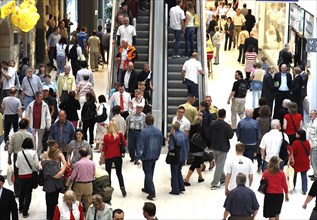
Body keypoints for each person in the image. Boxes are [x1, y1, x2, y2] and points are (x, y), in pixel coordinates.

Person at [135, 114, 163, 200]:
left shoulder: (143, 132)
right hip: (155, 155)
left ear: (145, 122)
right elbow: (160, 144)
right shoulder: (158, 131)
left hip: (146, 155)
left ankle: (151, 192)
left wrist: (137, 157)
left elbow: (140, 146)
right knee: (150, 172)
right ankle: (146, 187)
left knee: (147, 173)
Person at [99, 121, 127, 197]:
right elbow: (124, 144)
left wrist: (101, 158)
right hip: (118, 156)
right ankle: (122, 188)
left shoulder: (106, 136)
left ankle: (109, 189)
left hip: (108, 156)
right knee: (119, 173)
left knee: (108, 173)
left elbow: (104, 148)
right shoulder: (120, 134)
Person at [8, 118, 34, 197]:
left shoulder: (14, 135)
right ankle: (26, 191)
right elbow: (33, 147)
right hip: (28, 155)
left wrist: (9, 157)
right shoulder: (30, 135)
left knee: (16, 174)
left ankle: (17, 192)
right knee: (27, 173)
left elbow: (10, 147)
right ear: (26, 126)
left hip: (17, 155)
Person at [209, 109, 234, 190]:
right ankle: (214, 183)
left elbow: (209, 134)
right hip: (222, 148)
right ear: (225, 115)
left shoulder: (212, 123)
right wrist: (231, 128)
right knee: (219, 166)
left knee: (219, 164)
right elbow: (230, 136)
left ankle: (222, 179)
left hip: (214, 147)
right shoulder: (226, 125)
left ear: (218, 114)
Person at [16, 137, 40, 218]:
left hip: (21, 176)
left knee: (21, 193)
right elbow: (36, 165)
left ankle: (20, 208)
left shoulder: (19, 153)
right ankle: (25, 211)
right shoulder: (34, 153)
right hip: (30, 176)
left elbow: (17, 165)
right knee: (28, 194)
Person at [42, 145, 67, 220]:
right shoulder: (49, 164)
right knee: (51, 205)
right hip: (51, 187)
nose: (58, 157)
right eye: (57, 155)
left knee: (54, 203)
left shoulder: (53, 161)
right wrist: (64, 168)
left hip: (54, 187)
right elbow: (57, 175)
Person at [25, 91, 51, 156]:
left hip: (41, 125)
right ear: (36, 97)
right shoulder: (31, 105)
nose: (41, 98)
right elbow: (27, 115)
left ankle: (38, 154)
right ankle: (33, 153)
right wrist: (26, 124)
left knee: (40, 141)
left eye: (42, 97)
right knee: (32, 140)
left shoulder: (45, 105)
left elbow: (48, 116)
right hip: (32, 126)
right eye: (40, 96)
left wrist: (48, 125)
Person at [69, 147, 95, 211]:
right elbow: (93, 174)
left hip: (79, 185)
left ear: (80, 154)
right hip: (89, 184)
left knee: (77, 203)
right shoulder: (92, 163)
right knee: (88, 203)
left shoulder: (78, 164)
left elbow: (73, 176)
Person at [184, 116, 205, 186]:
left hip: (192, 147)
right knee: (195, 163)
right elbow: (204, 138)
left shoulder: (191, 127)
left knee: (197, 161)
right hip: (199, 148)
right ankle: (187, 178)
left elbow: (189, 136)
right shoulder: (202, 128)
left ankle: (200, 177)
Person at [169, 121, 189, 195]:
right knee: (179, 171)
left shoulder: (173, 136)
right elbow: (187, 145)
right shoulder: (184, 135)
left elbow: (171, 147)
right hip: (183, 156)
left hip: (176, 157)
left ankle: (175, 189)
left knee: (174, 172)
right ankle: (181, 186)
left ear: (173, 127)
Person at [292, 129, 310, 194]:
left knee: (294, 175)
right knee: (304, 175)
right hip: (305, 161)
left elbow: (293, 153)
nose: (295, 134)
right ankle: (304, 190)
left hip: (297, 162)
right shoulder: (307, 142)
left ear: (299, 135)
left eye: (297, 133)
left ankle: (292, 186)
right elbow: (309, 152)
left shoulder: (295, 143)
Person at [256, 105, 271, 173]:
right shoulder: (270, 119)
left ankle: (259, 165)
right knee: (266, 151)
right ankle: (265, 164)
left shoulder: (258, 119)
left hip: (259, 137)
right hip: (267, 137)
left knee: (258, 152)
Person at [307, 110, 317, 181]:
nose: (310, 115)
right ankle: (315, 172)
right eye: (310, 114)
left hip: (315, 144)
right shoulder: (311, 122)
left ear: (316, 115)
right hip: (310, 143)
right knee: (312, 160)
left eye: (312, 114)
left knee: (314, 160)